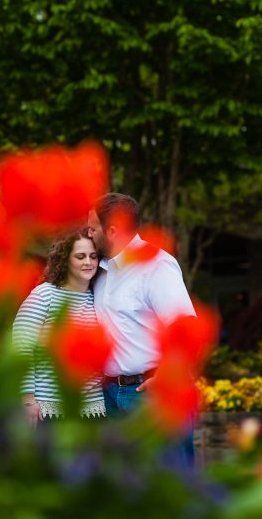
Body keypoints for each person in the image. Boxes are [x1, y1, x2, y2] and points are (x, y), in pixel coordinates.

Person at [87, 192, 196, 465]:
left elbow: (186, 327)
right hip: (109, 396)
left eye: (92, 227)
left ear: (111, 230)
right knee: (128, 490)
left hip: (150, 394)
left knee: (171, 484)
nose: (88, 233)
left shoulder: (156, 265)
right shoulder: (100, 271)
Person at [14, 228, 106, 424]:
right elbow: (22, 347)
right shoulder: (44, 295)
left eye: (93, 256)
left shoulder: (97, 297)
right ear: (65, 260)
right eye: (80, 257)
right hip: (47, 408)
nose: (88, 262)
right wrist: (28, 399)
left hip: (92, 408)